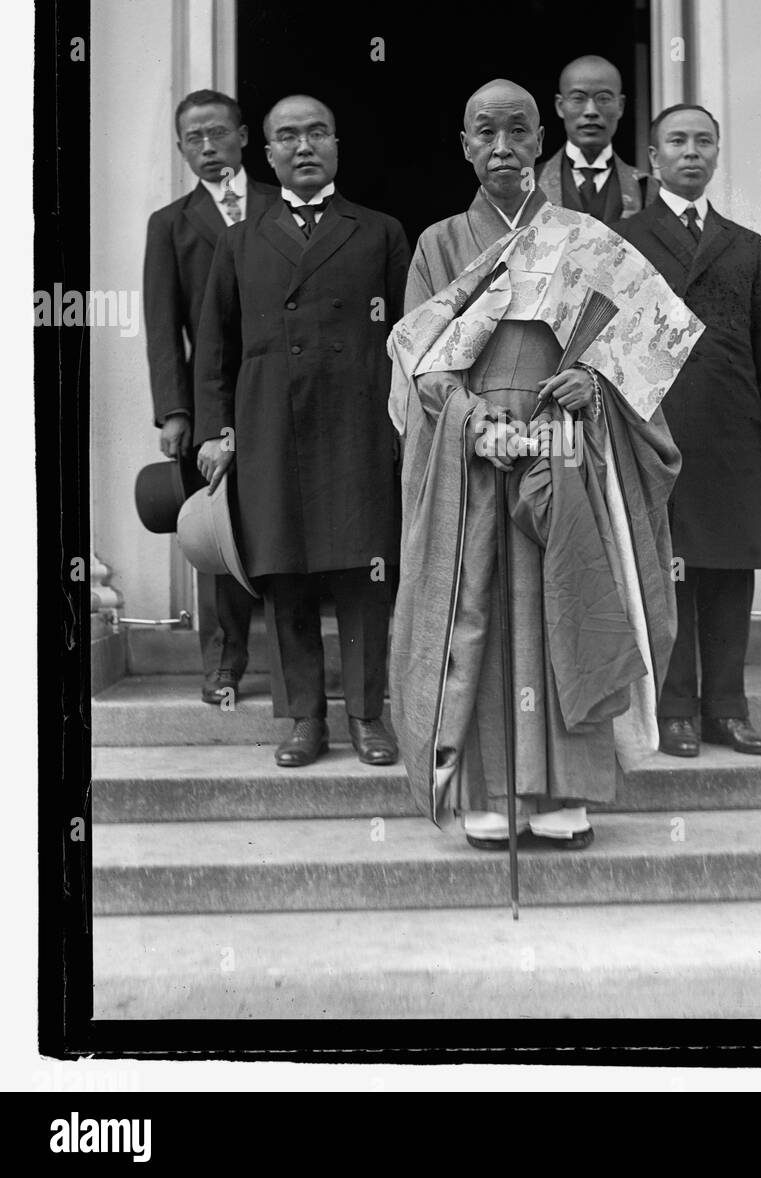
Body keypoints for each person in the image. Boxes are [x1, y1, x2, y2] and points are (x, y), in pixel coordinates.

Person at [388, 80, 703, 850]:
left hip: (566, 444)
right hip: (473, 451)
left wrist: (590, 382)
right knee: (481, 615)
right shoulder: (437, 244)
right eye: (485, 131)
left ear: (541, 142)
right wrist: (471, 419)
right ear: (463, 144)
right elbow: (419, 364)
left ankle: (566, 794)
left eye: (518, 131)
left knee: (565, 602)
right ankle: (489, 793)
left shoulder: (583, 239)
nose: (502, 146)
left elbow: (642, 350)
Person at [194, 94, 411, 768]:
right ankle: (304, 719)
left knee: (363, 576)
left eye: (317, 132)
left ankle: (369, 717)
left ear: (337, 144)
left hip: (360, 425)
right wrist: (215, 431)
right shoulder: (239, 239)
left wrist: (411, 430)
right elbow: (213, 348)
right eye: (287, 136)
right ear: (266, 154)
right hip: (268, 430)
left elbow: (413, 342)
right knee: (284, 577)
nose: (303, 146)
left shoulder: (379, 232)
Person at [617, 104, 761, 759]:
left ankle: (727, 709)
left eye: (703, 141)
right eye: (677, 141)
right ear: (652, 156)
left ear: (717, 155)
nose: (690, 152)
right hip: (658, 428)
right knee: (669, 573)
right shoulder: (625, 237)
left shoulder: (744, 244)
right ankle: (674, 714)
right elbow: (606, 339)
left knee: (728, 570)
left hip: (732, 427)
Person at [143, 89, 278, 706]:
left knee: (282, 525)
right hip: (212, 398)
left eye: (218, 133)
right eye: (193, 138)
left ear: (244, 137)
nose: (207, 146)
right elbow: (163, 323)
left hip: (281, 390)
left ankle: (290, 667)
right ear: (180, 149)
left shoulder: (286, 205)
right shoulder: (171, 224)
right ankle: (224, 665)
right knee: (215, 530)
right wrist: (176, 413)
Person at [535, 55, 651, 226]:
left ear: (620, 106)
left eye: (603, 98)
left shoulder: (646, 188)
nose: (591, 111)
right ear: (560, 106)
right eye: (578, 98)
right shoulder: (531, 181)